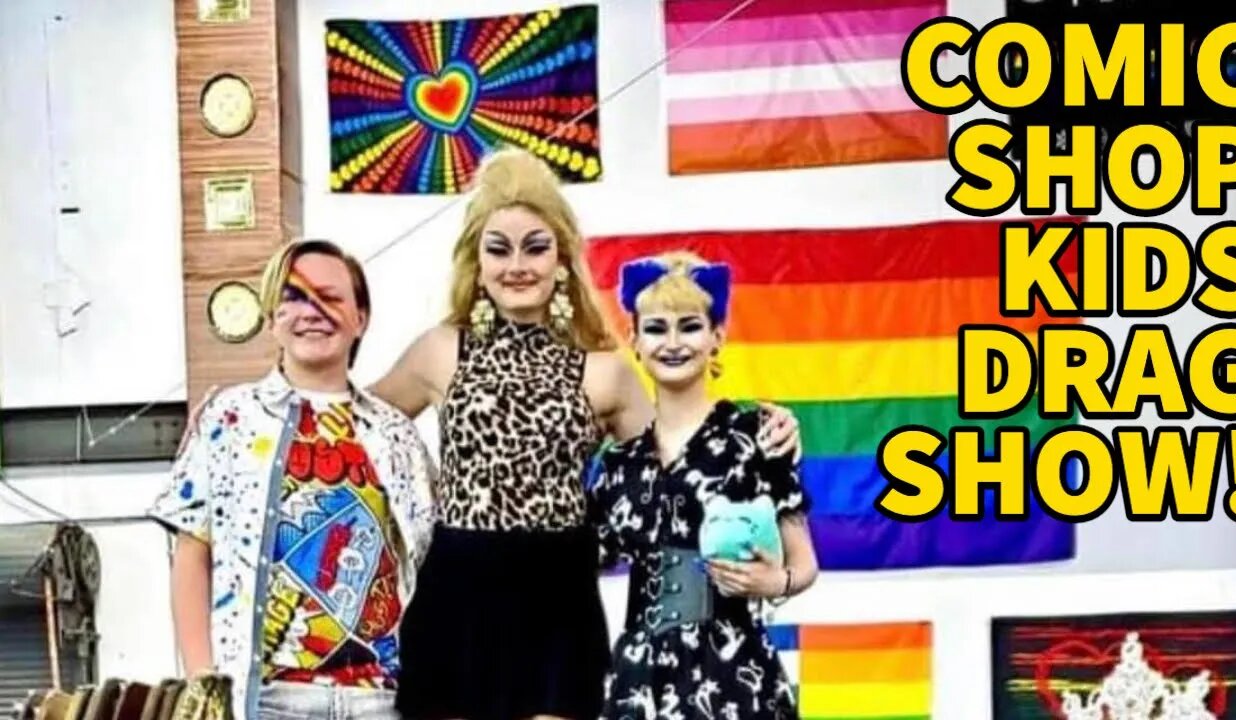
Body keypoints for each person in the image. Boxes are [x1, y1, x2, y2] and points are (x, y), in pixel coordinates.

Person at [369, 147, 801, 720]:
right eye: (498, 249)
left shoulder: (604, 369)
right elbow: (354, 426)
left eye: (535, 247)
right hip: (457, 592)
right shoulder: (439, 350)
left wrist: (763, 432)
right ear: (476, 260)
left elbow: (678, 465)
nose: (517, 265)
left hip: (557, 600)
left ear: (562, 259)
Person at [149, 239, 437, 720]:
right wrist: (204, 683)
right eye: (294, 297)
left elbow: (430, 566)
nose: (312, 311)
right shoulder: (229, 418)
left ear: (361, 318)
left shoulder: (397, 434)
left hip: (382, 699)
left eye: (331, 297)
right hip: (268, 699)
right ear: (272, 318)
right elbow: (191, 554)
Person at [588, 251, 818, 720]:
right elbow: (574, 564)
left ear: (717, 337)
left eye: (689, 326)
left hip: (733, 675)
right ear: (635, 340)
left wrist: (775, 582)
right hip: (641, 683)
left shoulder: (758, 436)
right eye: (657, 328)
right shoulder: (618, 464)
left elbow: (804, 563)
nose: (673, 343)